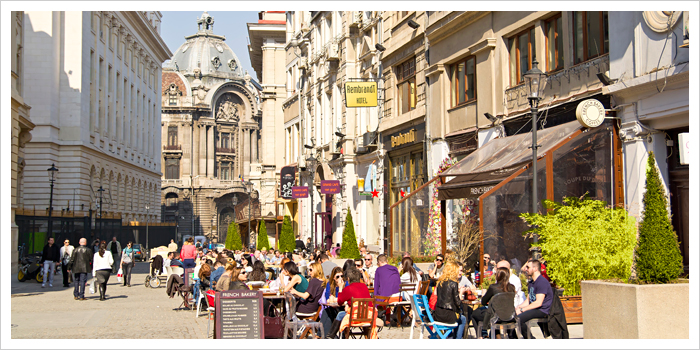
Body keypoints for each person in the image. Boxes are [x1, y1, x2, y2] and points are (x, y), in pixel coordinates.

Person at [326, 268, 373, 339]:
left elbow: (339, 302)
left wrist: (341, 287)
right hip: (368, 316)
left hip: (355, 317)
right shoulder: (364, 286)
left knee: (340, 314)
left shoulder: (348, 289)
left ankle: (330, 336)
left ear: (348, 278)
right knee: (342, 314)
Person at [471, 267, 516, 338]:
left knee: (474, 314)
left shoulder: (493, 287)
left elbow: (483, 302)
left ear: (498, 275)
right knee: (494, 312)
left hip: (495, 317)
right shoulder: (512, 287)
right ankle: (496, 336)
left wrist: (484, 295)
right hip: (509, 316)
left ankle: (482, 336)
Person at [516, 259, 554, 339]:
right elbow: (528, 300)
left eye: (528, 267)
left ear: (535, 268)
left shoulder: (541, 282)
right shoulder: (531, 282)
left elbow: (538, 303)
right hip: (535, 308)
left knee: (519, 319)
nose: (526, 269)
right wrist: (518, 307)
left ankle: (531, 339)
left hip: (542, 310)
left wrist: (523, 309)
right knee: (514, 315)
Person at [433, 261, 467, 339]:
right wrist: (461, 293)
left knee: (457, 317)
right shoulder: (453, 283)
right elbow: (458, 302)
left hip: (438, 315)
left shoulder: (440, 282)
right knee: (462, 318)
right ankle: (457, 340)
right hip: (448, 316)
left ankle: (450, 336)